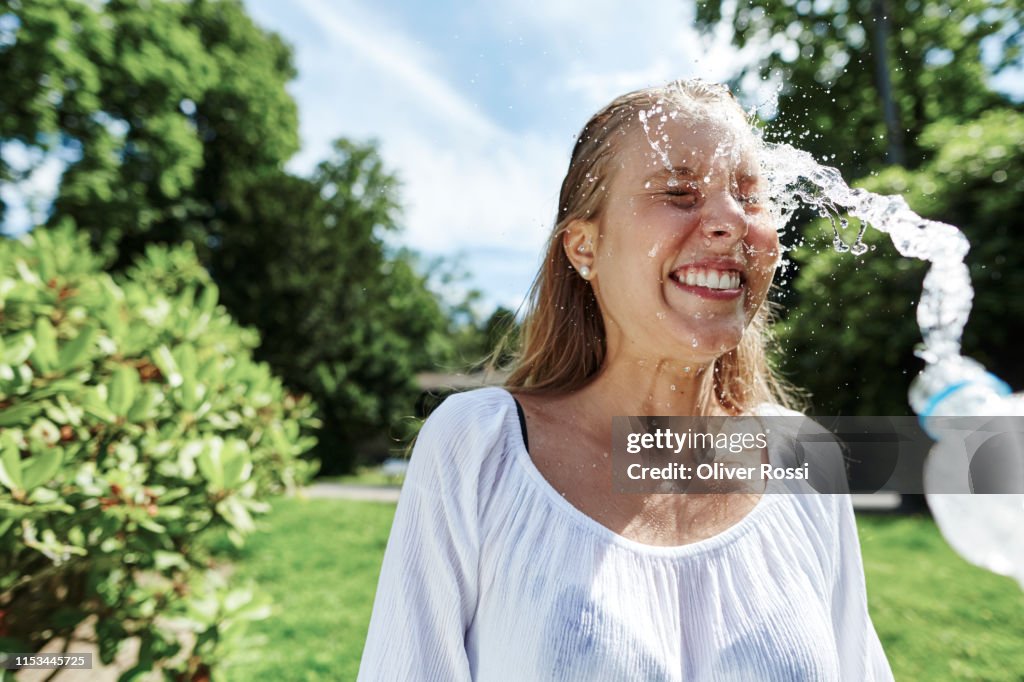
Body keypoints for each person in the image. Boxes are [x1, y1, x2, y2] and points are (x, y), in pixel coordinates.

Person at [357, 80, 893, 681]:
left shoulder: (805, 457)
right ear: (585, 247)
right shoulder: (478, 448)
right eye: (678, 191)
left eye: (749, 194)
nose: (729, 221)